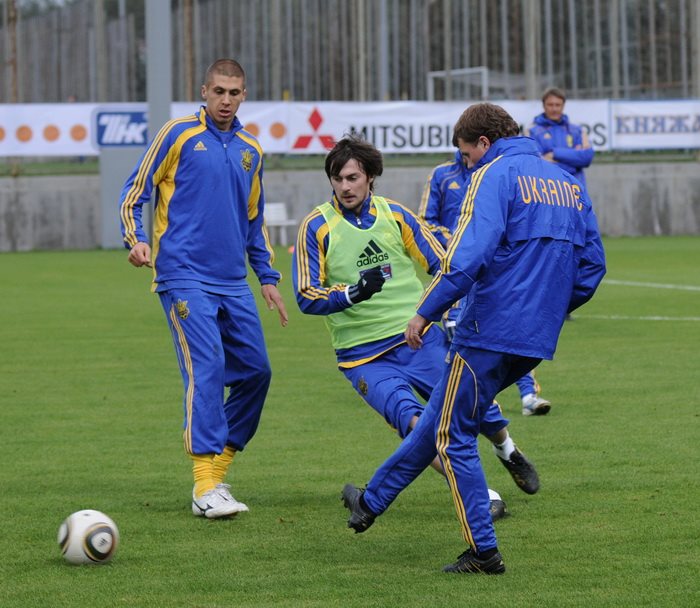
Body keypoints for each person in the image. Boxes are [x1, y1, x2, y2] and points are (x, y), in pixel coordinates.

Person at [342, 103, 606, 575]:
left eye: (467, 155)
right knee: (442, 416)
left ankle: (483, 551)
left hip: (489, 330)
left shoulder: (491, 175)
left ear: (484, 143)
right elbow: (592, 267)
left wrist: (424, 312)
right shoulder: (567, 182)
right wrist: (547, 310)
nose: (466, 164)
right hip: (535, 338)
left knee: (452, 434)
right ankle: (371, 501)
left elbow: (467, 256)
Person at [293, 134, 540, 522]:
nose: (345, 186)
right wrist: (352, 292)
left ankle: (506, 449)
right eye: (337, 179)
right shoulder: (316, 226)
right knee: (414, 424)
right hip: (363, 357)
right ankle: (482, 496)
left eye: (352, 177)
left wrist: (451, 308)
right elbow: (307, 295)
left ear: (370, 177)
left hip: (417, 339)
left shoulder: (396, 215)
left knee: (472, 406)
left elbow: (443, 265)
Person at [119, 58, 288, 519]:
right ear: (204, 92)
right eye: (219, 92)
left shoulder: (252, 149)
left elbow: (254, 220)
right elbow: (135, 191)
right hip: (183, 275)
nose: (226, 100)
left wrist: (267, 277)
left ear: (244, 95)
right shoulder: (177, 135)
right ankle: (204, 485)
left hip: (233, 281)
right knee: (208, 366)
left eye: (234, 93)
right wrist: (135, 239)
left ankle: (218, 472)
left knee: (257, 373)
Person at [419, 146, 551, 416]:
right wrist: (452, 240)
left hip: (493, 268)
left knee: (511, 329)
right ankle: (461, 398)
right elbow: (425, 221)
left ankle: (528, 395)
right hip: (457, 268)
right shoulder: (442, 175)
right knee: (457, 333)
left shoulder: (496, 174)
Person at [528, 86, 594, 190]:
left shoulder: (577, 131)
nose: (554, 109)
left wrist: (555, 154)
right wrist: (574, 164)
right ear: (543, 106)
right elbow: (539, 164)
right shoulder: (532, 132)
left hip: (575, 190)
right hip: (548, 190)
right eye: (550, 105)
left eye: (558, 105)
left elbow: (586, 158)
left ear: (563, 106)